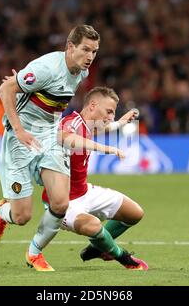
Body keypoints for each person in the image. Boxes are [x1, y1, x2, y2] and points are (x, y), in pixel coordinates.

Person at [0, 25, 124, 271]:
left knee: (60, 204)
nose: (90, 56)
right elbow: (5, 89)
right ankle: (2, 212)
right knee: (22, 216)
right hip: (20, 139)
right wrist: (19, 129)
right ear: (70, 47)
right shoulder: (47, 68)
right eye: (85, 49)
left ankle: (34, 254)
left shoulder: (81, 73)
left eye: (94, 51)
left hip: (49, 138)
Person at [41, 86, 148, 270]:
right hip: (62, 201)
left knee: (135, 213)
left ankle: (98, 248)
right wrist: (107, 148)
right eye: (109, 111)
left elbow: (97, 130)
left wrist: (120, 123)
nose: (110, 117)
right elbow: (64, 137)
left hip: (84, 191)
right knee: (93, 226)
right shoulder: (71, 122)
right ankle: (122, 257)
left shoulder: (86, 125)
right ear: (92, 105)